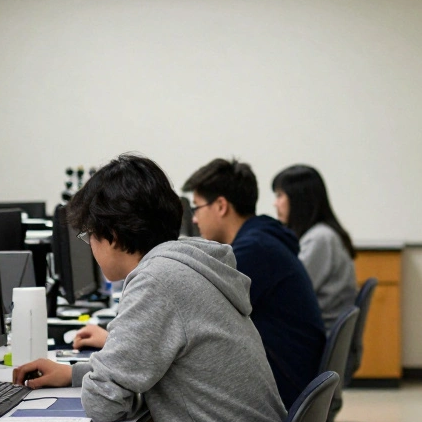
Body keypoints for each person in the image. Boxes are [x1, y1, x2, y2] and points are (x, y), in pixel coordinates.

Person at [12, 155, 284, 422]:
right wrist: (72, 373)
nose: (90, 247)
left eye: (88, 236)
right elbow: (152, 368)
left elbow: (104, 403)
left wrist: (95, 378)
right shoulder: (190, 264)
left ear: (111, 234)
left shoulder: (158, 280)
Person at [79, 158, 325, 408]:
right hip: (269, 406)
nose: (194, 219)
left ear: (111, 234)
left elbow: (103, 400)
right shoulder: (203, 260)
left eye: (197, 208)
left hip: (282, 388)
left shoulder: (162, 276)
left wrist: (113, 343)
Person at [270, 165, 357, 330]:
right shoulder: (322, 235)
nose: (275, 203)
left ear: (299, 199)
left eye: (280, 195)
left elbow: (291, 293)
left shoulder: (320, 239)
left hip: (314, 337)